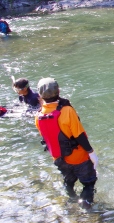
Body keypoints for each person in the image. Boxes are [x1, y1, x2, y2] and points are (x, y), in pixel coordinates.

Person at [35, 78, 99, 209]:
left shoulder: (39, 115)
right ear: (58, 90)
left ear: (40, 95)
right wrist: (91, 153)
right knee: (89, 183)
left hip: (58, 158)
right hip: (78, 158)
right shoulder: (67, 111)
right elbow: (79, 135)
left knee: (68, 181)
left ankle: (71, 199)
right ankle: (86, 209)